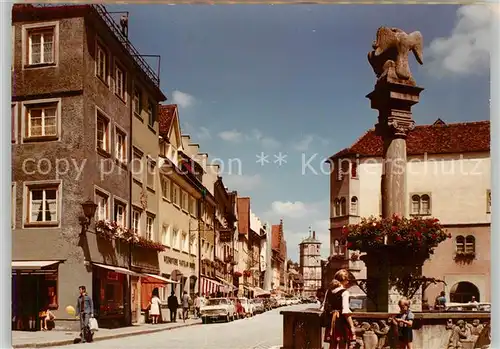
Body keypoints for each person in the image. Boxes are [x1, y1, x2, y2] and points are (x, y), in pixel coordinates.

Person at [321, 269, 356, 349]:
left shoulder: (328, 291)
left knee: (332, 345)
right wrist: (351, 326)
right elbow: (345, 311)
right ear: (345, 280)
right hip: (341, 322)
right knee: (342, 345)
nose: (348, 282)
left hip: (331, 322)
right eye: (348, 280)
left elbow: (323, 307)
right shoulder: (345, 293)